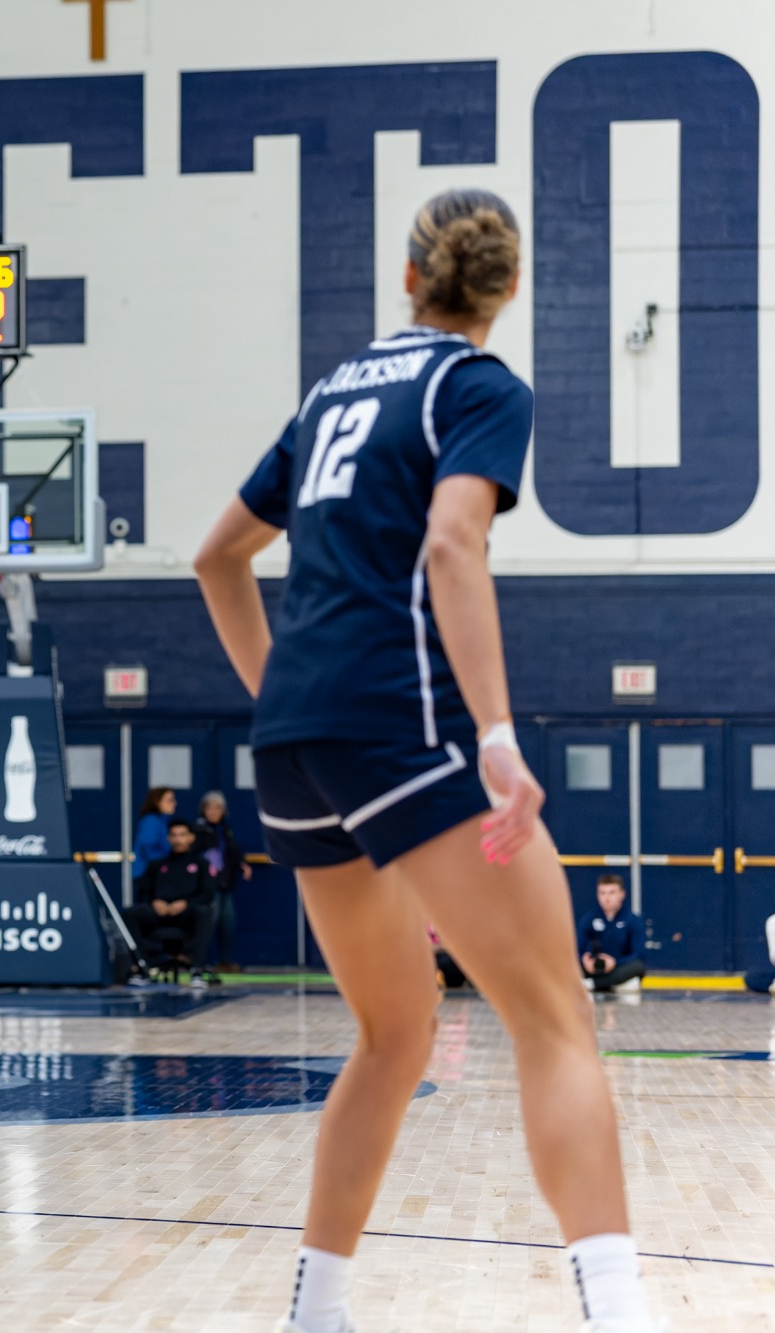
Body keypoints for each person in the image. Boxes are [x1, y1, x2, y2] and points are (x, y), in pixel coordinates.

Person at [193, 188, 659, 1331]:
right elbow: (453, 540)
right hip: (397, 719)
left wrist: (289, 700)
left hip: (291, 739)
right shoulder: (477, 387)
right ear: (502, 292)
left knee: (394, 1031)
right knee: (554, 1017)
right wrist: (495, 739)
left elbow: (214, 558)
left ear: (408, 277)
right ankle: (621, 1312)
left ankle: (317, 1308)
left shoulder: (334, 389)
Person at [128, 817, 217, 982]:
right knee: (130, 914)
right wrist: (154, 902)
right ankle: (143, 967)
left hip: (186, 915)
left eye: (182, 835)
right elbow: (143, 893)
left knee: (204, 913)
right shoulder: (157, 864)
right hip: (159, 914)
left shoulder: (201, 864)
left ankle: (196, 970)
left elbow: (207, 894)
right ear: (168, 838)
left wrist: (186, 903)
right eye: (174, 835)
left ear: (191, 837)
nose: (178, 839)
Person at [193, 791, 249, 971]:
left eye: (218, 808)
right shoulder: (199, 831)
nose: (214, 812)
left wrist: (242, 864)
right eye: (210, 807)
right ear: (204, 809)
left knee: (228, 922)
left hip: (226, 883)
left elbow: (233, 851)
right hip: (209, 885)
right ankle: (201, 961)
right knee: (209, 922)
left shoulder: (225, 830)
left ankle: (225, 960)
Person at [580, 874, 646, 995]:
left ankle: (592, 984)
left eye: (611, 893)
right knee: (569, 965)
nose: (607, 898)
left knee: (638, 967)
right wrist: (585, 959)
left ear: (622, 894)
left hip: (618, 967)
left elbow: (638, 954)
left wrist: (615, 962)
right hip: (593, 969)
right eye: (602, 893)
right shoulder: (588, 919)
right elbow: (578, 948)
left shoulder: (633, 920)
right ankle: (615, 984)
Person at [131, 787, 176, 879]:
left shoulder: (161, 821)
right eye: (169, 800)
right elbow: (148, 847)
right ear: (157, 802)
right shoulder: (151, 821)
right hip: (151, 874)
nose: (174, 803)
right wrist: (165, 867)